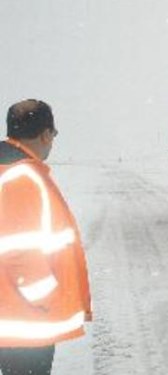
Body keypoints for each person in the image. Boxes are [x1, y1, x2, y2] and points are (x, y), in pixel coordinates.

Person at [0, 99, 92, 375]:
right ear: (45, 134)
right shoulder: (23, 178)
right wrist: (46, 299)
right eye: (54, 134)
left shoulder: (9, 171)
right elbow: (19, 249)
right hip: (24, 319)